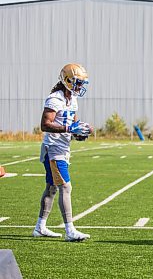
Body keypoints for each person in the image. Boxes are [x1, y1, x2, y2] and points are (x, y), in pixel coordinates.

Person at [33, 64, 93, 242]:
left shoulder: (72, 99)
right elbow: (45, 125)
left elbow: (73, 126)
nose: (79, 87)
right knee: (65, 187)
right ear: (67, 80)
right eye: (77, 82)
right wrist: (69, 128)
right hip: (53, 150)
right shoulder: (54, 99)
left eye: (81, 83)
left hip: (63, 149)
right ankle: (70, 230)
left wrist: (79, 133)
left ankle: (40, 227)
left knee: (51, 189)